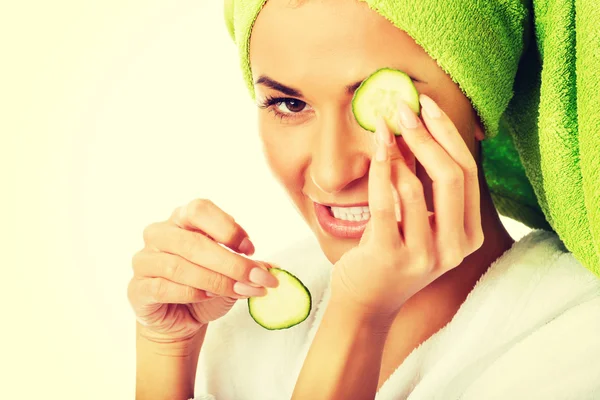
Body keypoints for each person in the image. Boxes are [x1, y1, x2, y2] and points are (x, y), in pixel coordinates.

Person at [128, 1, 600, 399]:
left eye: (381, 105)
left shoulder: (581, 340)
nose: (331, 173)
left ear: (478, 107)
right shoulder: (237, 316)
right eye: (289, 105)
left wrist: (358, 316)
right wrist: (167, 351)